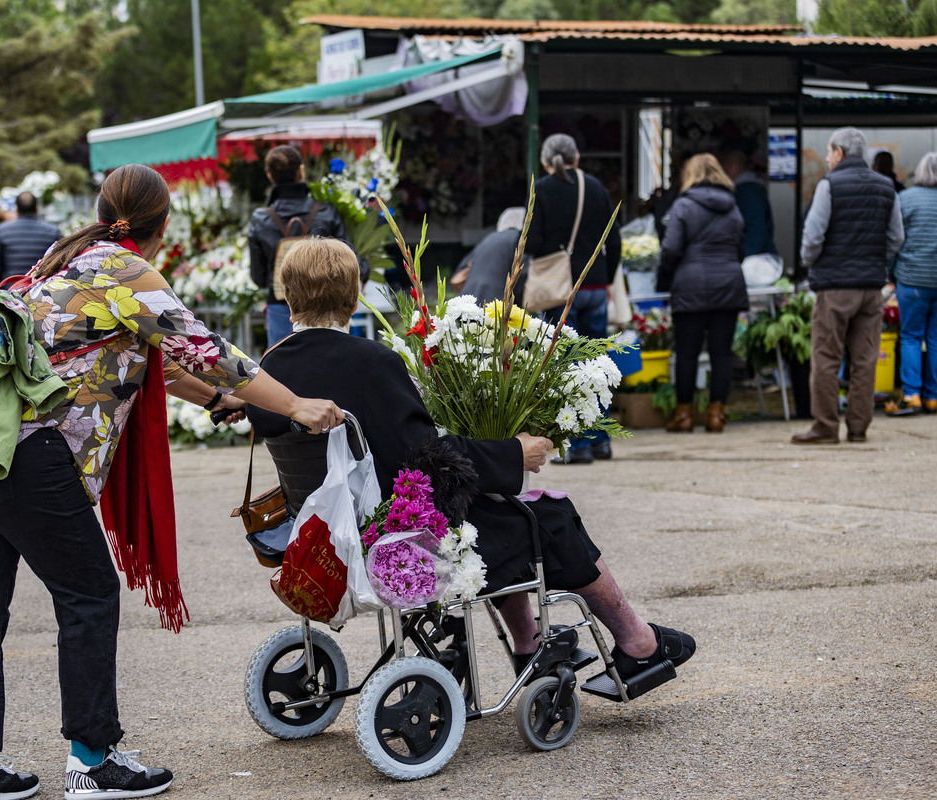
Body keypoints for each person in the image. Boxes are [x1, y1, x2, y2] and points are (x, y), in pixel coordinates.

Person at [0, 163, 342, 800]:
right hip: (25, 458)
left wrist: (209, 402)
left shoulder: (65, 264)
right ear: (164, 223)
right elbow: (207, 349)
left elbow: (153, 362)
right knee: (89, 592)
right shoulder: (125, 270)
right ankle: (92, 759)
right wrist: (297, 405)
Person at [246, 237, 695, 689]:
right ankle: (638, 644)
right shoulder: (371, 362)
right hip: (396, 540)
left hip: (320, 537)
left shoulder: (266, 371)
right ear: (353, 291)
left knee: (506, 511)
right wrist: (515, 453)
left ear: (287, 293)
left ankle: (529, 644)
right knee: (551, 517)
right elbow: (429, 459)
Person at [793, 127, 904, 445]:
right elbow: (897, 238)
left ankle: (826, 427)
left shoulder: (829, 185)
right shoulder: (886, 187)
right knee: (866, 358)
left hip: (834, 286)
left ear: (839, 152)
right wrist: (873, 258)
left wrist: (810, 261)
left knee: (826, 357)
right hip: (871, 287)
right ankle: (858, 428)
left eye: (829, 152)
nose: (827, 158)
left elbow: (813, 236)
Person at [525, 133, 621, 464]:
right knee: (597, 366)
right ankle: (601, 440)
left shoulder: (544, 190)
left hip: (561, 290)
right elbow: (615, 237)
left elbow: (533, 241)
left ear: (546, 161)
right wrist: (605, 278)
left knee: (565, 367)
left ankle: (578, 446)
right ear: (577, 158)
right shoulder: (596, 187)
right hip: (594, 286)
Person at [656, 153, 749, 433]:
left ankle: (684, 415)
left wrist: (669, 273)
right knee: (722, 354)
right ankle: (716, 414)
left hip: (690, 287)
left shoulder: (683, 206)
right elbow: (741, 248)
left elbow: (670, 248)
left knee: (687, 353)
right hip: (728, 285)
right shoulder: (733, 206)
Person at [883, 152, 937, 415]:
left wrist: (892, 274)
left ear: (921, 173)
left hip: (912, 281)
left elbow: (893, 241)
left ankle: (912, 395)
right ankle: (933, 397)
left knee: (911, 336)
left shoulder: (905, 199)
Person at [249, 145, 361, 347]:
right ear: (301, 170)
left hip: (281, 307)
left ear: (269, 175)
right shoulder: (326, 212)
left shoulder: (260, 219)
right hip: (330, 307)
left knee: (282, 370)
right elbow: (350, 259)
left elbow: (258, 277)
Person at [0, 191, 61, 286]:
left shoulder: (2, 230)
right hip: (40, 289)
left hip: (11, 290)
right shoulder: (53, 231)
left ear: (17, 209)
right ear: (37, 209)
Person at [456, 207, 526, 304]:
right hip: (495, 301)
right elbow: (522, 273)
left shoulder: (490, 237)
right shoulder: (518, 240)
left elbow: (462, 267)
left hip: (469, 298)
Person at [720, 149, 778, 259]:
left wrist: (742, 256)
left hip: (755, 260)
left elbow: (756, 230)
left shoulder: (748, 192)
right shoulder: (748, 189)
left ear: (730, 166)